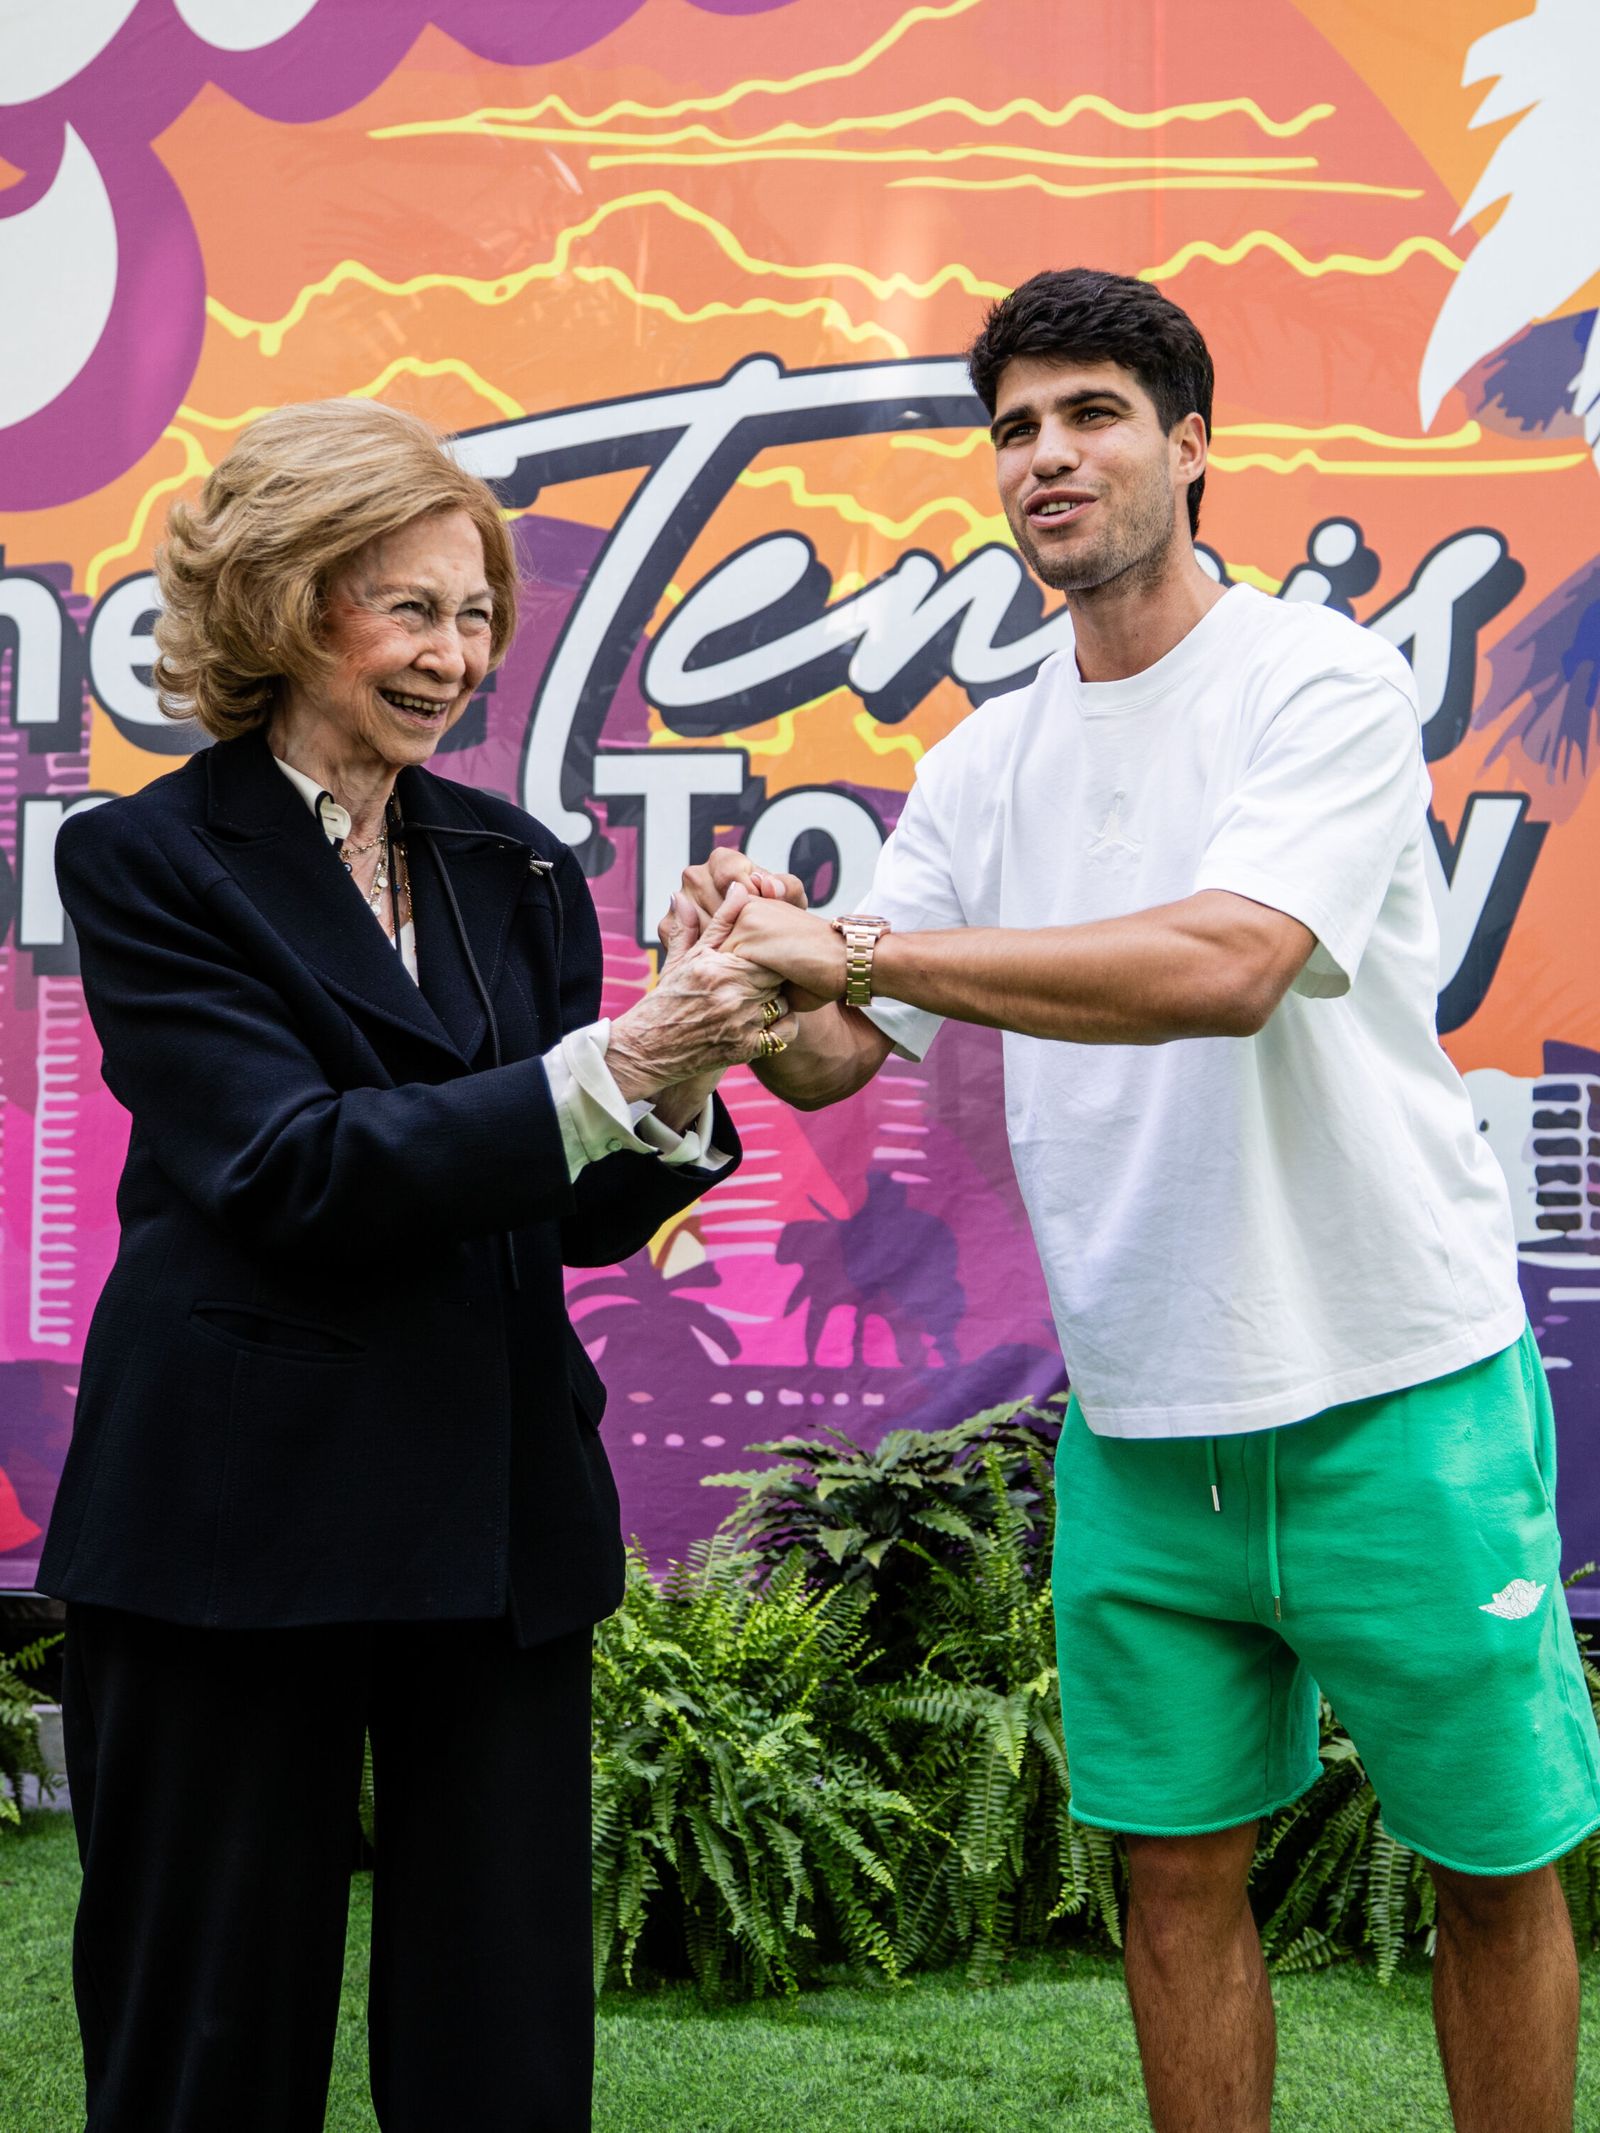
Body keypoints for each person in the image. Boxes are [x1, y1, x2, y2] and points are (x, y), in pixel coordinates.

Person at [686, 269, 1600, 2133]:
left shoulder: (1320, 680)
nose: (1047, 455)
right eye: (1015, 427)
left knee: (1494, 1866)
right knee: (1172, 1881)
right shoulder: (984, 758)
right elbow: (840, 1055)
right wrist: (755, 964)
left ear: (1191, 446)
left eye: (1092, 413)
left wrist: (853, 947)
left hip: (1398, 1387)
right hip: (1141, 1418)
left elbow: (1230, 962)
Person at [39, 398, 797, 2133]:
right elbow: (287, 1167)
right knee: (204, 2050)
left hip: (496, 1522)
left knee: (503, 2061)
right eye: (409, 610)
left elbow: (569, 1209)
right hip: (231, 1527)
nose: (453, 657)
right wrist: (609, 1066)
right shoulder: (145, 858)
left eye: (472, 617)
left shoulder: (514, 865)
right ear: (283, 603)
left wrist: (675, 1069)